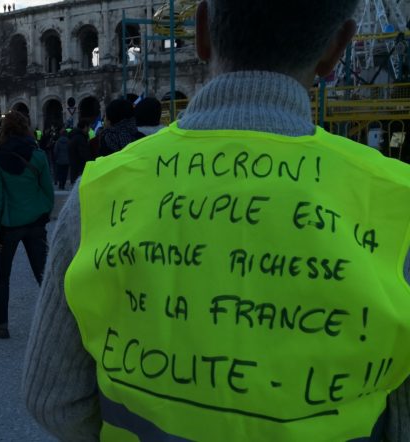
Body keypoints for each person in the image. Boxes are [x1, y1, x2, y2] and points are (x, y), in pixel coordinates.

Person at [23, 1, 410, 441]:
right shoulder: (398, 202)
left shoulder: (101, 190)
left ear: (202, 30)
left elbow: (51, 398)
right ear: (336, 49)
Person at [0, 111, 54, 339]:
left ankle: (0, 324)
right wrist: (43, 214)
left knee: (2, 277)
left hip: (9, 226)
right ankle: (57, 321)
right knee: (44, 275)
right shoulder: (39, 156)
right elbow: (48, 192)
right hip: (35, 223)